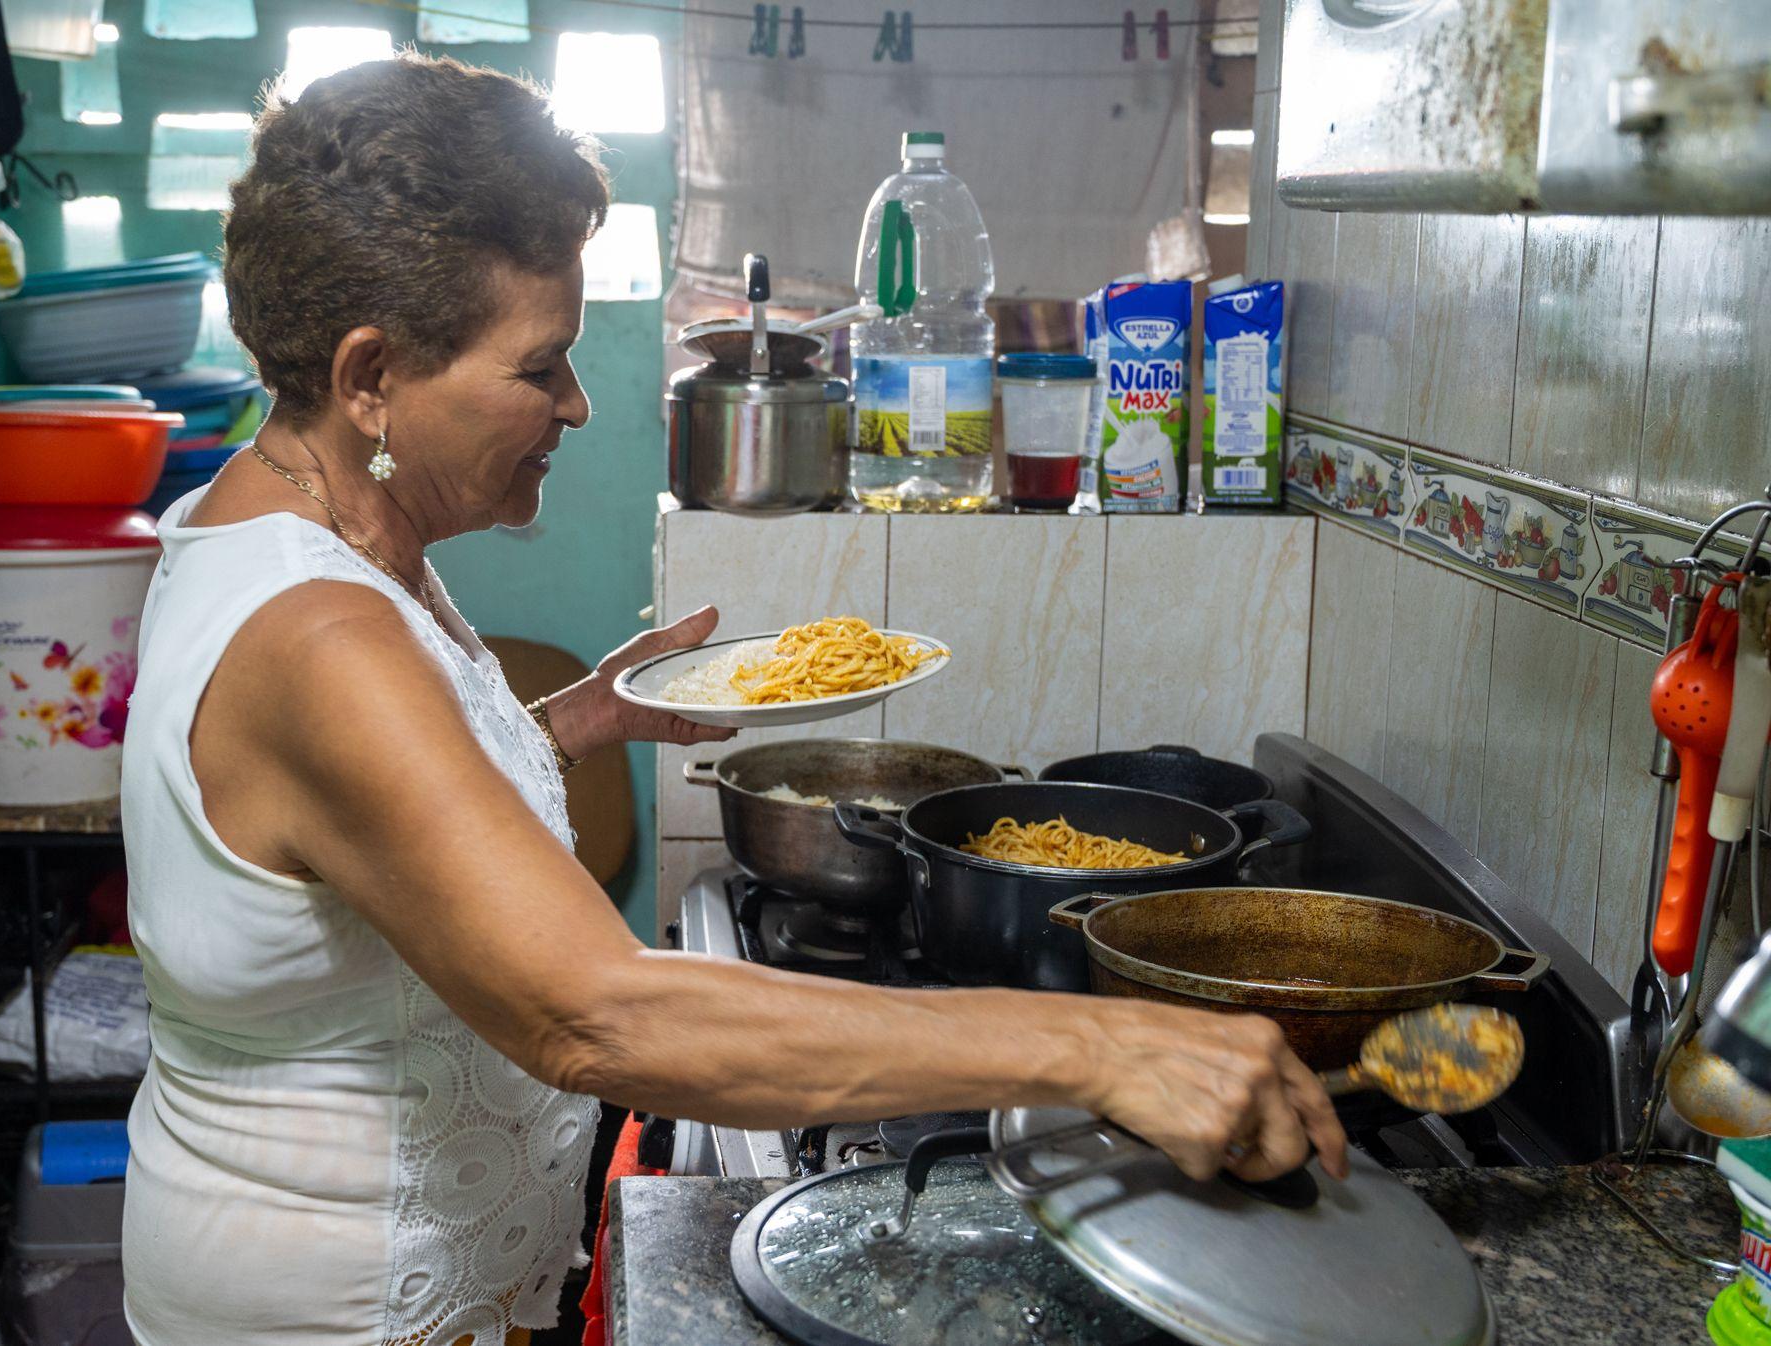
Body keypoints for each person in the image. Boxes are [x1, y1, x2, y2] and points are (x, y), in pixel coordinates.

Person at [118, 51, 1348, 1346]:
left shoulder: (282, 519)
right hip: (328, 1313)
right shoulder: (323, 635)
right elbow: (598, 1012)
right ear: (370, 375)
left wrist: (569, 725)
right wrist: (1107, 1048)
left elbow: (337, 840)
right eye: (540, 367)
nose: (577, 404)